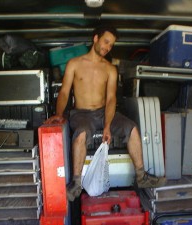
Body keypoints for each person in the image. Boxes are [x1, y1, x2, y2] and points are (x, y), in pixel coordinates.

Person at [45, 25, 166, 201]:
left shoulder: (110, 69)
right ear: (95, 38)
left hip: (104, 112)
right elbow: (64, 92)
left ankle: (142, 177)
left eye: (111, 45)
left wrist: (108, 125)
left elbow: (111, 99)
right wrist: (59, 113)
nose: (108, 47)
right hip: (82, 114)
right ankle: (76, 184)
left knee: (132, 128)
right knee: (81, 134)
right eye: (106, 42)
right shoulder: (74, 64)